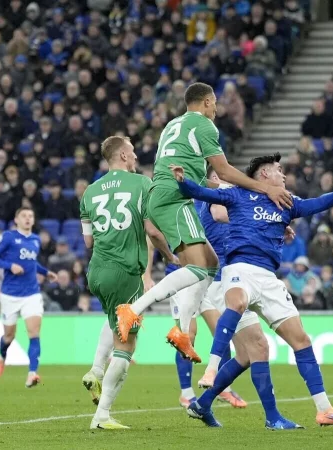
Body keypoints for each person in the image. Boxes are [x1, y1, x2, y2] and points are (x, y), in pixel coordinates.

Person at [170, 153, 333, 428]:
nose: (284, 175)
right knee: (238, 305)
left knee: (289, 342)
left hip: (268, 278)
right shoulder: (235, 193)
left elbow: (314, 205)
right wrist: (183, 181)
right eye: (279, 170)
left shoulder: (286, 203)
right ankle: (211, 372)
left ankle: (323, 410)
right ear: (264, 175)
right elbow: (202, 195)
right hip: (236, 270)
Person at [114, 82, 293, 363]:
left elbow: (207, 178)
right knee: (198, 266)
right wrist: (264, 190)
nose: (217, 108)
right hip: (174, 198)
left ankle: (182, 331)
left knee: (209, 263)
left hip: (163, 195)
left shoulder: (173, 125)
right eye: (216, 103)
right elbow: (224, 170)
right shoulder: (206, 126)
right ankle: (133, 310)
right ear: (207, 102)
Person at [172, 167, 294, 409]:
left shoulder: (226, 197)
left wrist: (271, 223)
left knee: (241, 347)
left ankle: (213, 392)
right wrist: (257, 220)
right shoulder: (217, 196)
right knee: (190, 335)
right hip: (201, 277)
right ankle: (189, 391)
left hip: (218, 278)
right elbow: (218, 214)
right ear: (216, 177)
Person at [78, 136, 178, 429]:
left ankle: (96, 370)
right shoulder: (142, 184)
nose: (135, 158)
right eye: (132, 153)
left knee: (113, 322)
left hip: (97, 271)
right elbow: (153, 231)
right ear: (122, 155)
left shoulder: (89, 192)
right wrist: (169, 256)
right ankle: (102, 415)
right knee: (127, 344)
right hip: (125, 270)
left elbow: (87, 240)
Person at [0, 207, 58, 387]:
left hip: (31, 293)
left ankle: (32, 373)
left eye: (31, 216)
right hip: (10, 294)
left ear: (33, 220)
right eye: (24, 216)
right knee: (9, 336)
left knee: (34, 333)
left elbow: (32, 263)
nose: (28, 219)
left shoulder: (35, 239)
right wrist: (10, 266)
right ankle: (2, 356)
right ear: (16, 219)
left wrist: (45, 272)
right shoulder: (8, 237)